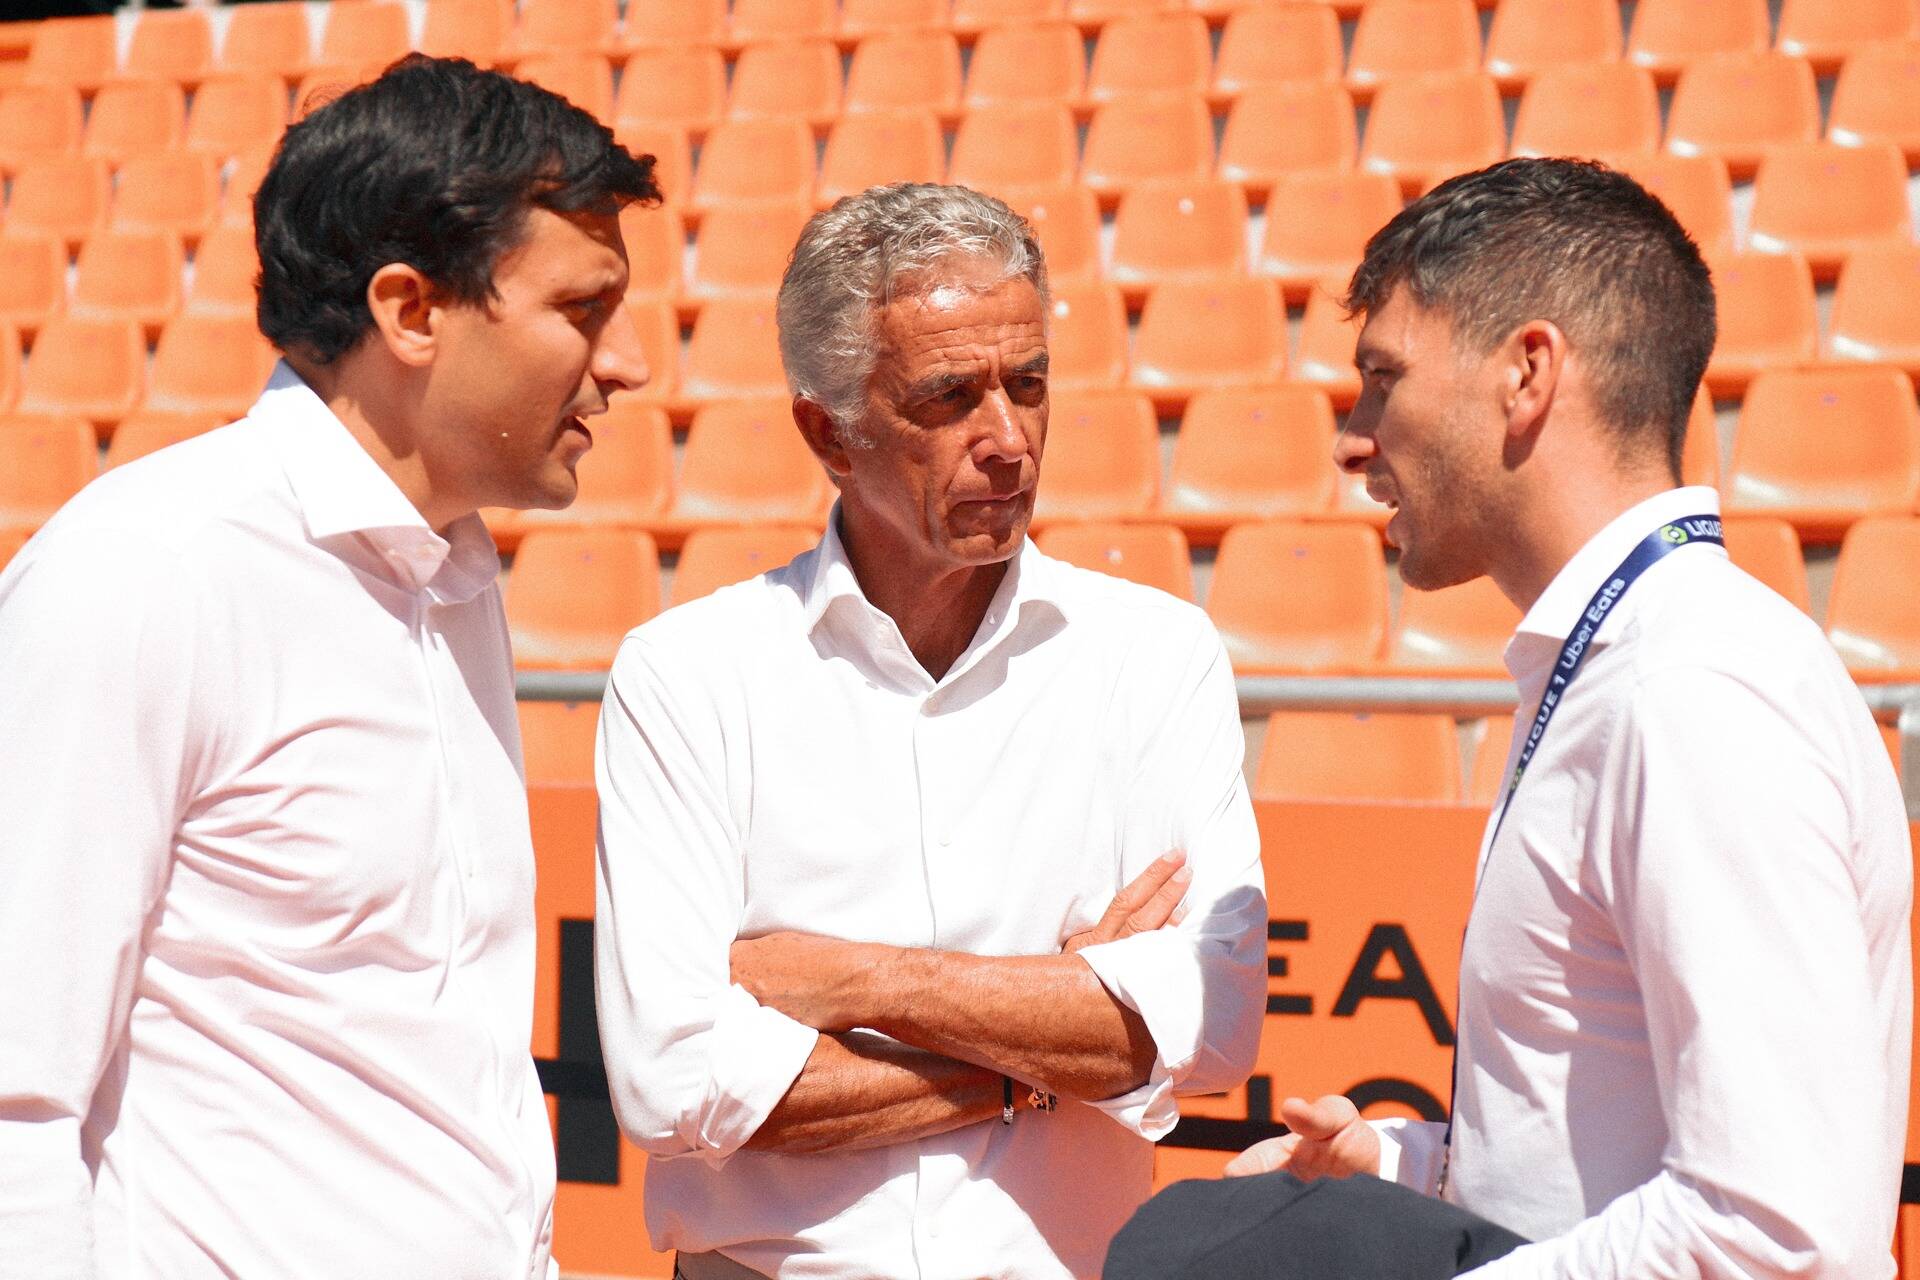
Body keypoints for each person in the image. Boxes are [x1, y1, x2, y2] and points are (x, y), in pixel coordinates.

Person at [0, 56, 655, 1278]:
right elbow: (11, 1102)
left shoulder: (450, 579)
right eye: (584, 309)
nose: (630, 365)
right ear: (412, 311)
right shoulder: (142, 573)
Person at [1227, 157, 1913, 1277]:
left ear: (1527, 372)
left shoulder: (1688, 689)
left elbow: (1780, 1231)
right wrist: (1415, 1165)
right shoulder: (1640, 664)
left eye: (1382, 377)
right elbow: (1626, 1152)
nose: (1355, 434)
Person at [592, 181, 1269, 1280]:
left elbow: (1216, 1021)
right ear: (830, 432)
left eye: (1031, 384)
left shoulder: (1155, 654)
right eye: (951, 396)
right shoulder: (688, 676)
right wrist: (1042, 1055)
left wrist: (862, 982)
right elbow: (676, 1078)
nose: (1008, 439)